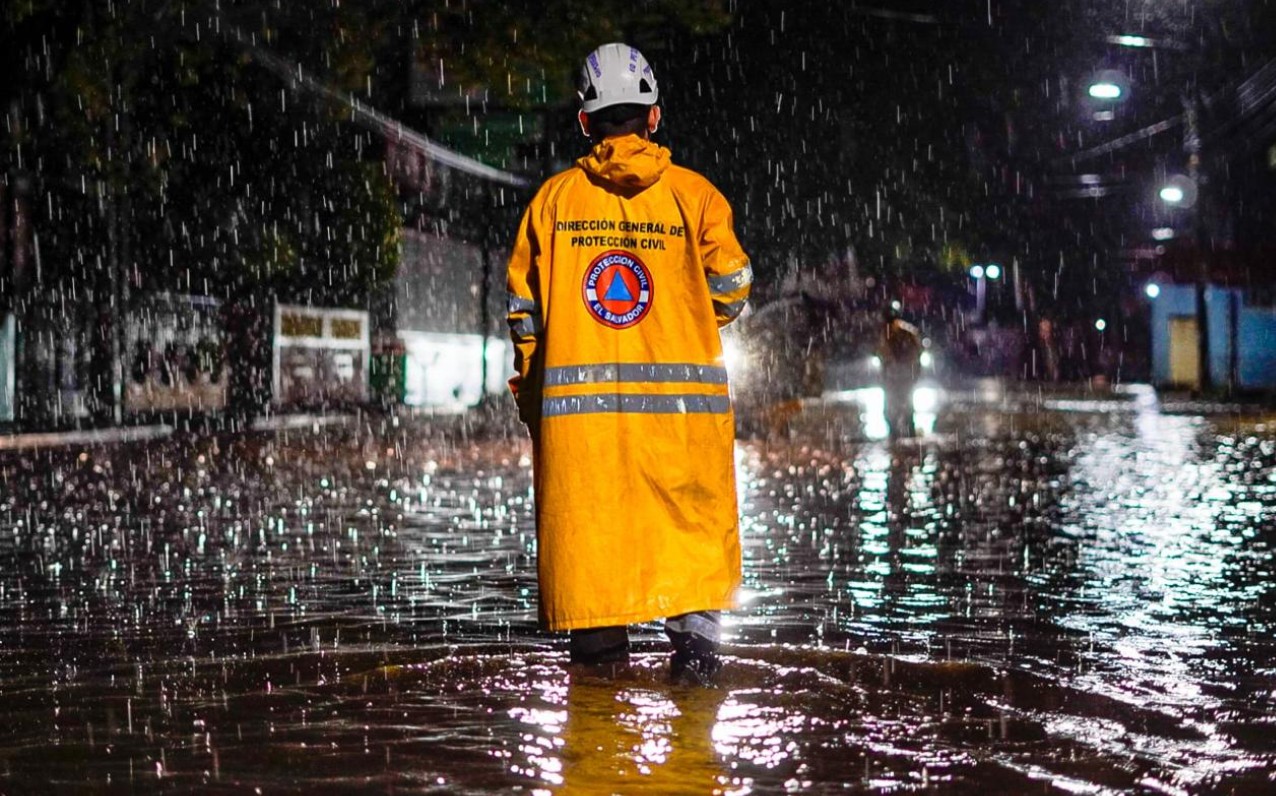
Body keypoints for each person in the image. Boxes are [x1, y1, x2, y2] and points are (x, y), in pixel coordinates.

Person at [505, 42, 752, 685]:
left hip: (584, 442)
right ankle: (693, 746)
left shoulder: (553, 205)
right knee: (695, 620)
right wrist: (680, 315)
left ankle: (598, 755)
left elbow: (524, 320)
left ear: (585, 121)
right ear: (655, 116)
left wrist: (534, 400)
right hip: (681, 432)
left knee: (596, 632)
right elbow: (731, 289)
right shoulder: (696, 198)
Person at [877, 300, 923, 438]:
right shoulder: (902, 331)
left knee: (897, 404)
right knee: (903, 403)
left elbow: (915, 353)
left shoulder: (897, 331)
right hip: (900, 373)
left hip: (898, 373)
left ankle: (899, 431)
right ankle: (903, 430)